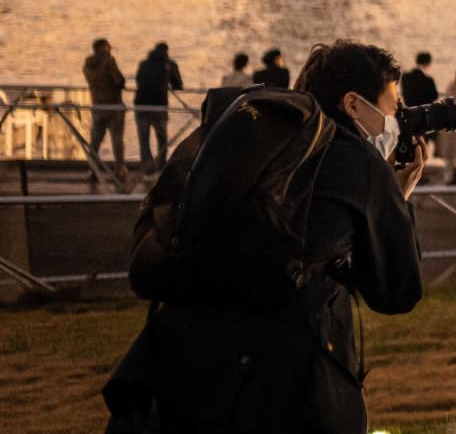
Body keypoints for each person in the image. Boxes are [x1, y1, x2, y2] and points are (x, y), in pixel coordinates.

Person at [103, 41, 425, 434]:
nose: (396, 118)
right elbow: (396, 292)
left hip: (173, 375)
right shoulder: (361, 164)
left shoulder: (257, 146)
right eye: (393, 106)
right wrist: (396, 200)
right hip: (282, 395)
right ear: (354, 104)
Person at [133, 43, 182, 175]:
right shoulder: (169, 64)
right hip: (159, 106)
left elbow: (138, 80)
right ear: (167, 52)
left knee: (144, 139)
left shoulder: (143, 64)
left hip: (140, 105)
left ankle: (148, 169)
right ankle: (161, 166)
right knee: (162, 138)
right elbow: (178, 84)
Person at [84, 38, 127, 183]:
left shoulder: (88, 64)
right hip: (114, 106)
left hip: (97, 106)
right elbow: (119, 80)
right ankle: (119, 170)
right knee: (117, 139)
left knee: (95, 141)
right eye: (109, 47)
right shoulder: (108, 62)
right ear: (104, 47)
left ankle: (92, 170)